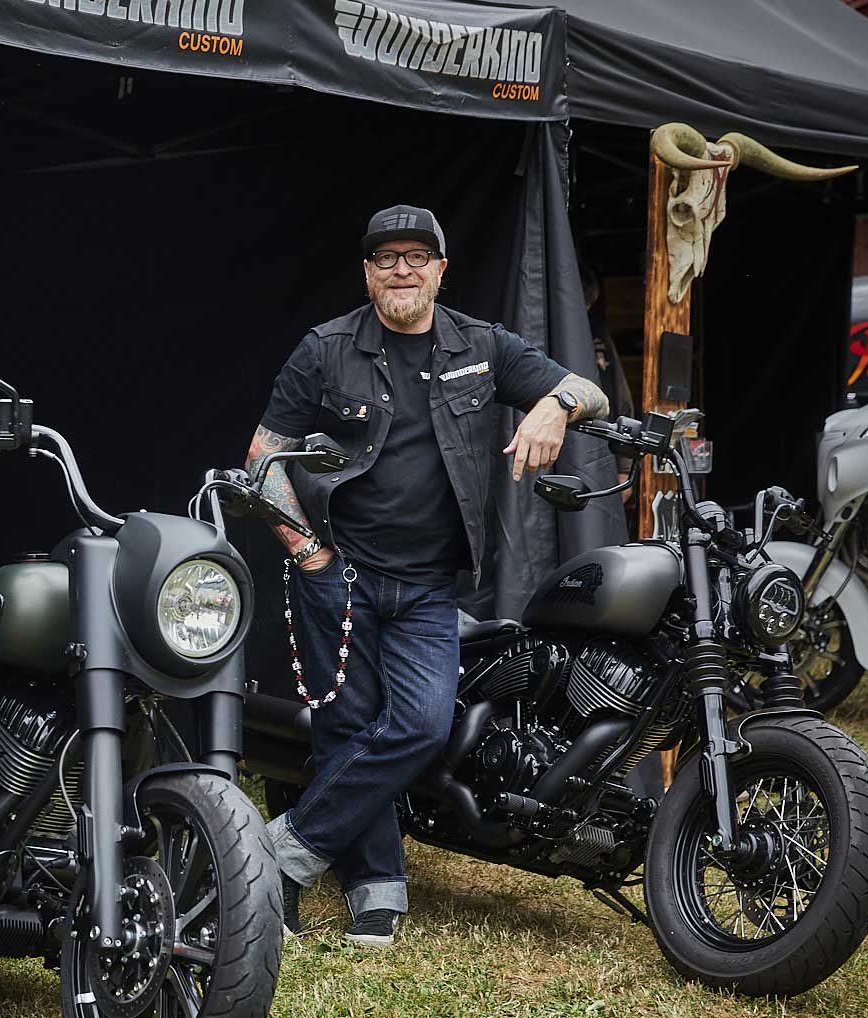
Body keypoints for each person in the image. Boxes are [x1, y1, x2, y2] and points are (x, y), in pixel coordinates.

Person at [246, 204, 609, 948]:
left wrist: (555, 405)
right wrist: (309, 553)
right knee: (346, 729)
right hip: (337, 572)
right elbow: (262, 459)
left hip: (428, 587)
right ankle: (377, 892)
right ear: (367, 273)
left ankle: (278, 853)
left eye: (417, 256)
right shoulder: (325, 349)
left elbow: (591, 389)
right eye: (386, 258)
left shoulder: (482, 345)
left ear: (441, 270)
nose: (402, 270)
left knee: (420, 725)